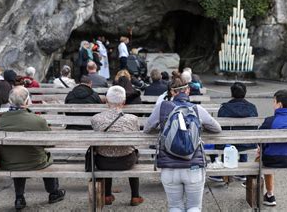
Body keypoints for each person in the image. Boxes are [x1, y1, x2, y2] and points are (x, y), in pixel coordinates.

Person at [144, 77, 221, 212]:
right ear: (188, 91)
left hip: (169, 167)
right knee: (194, 207)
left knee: (174, 207)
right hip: (194, 167)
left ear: (172, 92)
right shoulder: (197, 109)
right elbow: (217, 128)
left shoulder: (162, 108)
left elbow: (147, 129)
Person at [0, 86, 65, 210]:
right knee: (47, 157)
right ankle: (53, 192)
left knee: (17, 157)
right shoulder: (38, 120)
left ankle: (19, 198)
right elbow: (50, 144)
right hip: (35, 162)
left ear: (9, 101)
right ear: (26, 101)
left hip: (8, 162)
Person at [90, 86, 144, 206]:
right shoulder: (132, 119)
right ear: (124, 102)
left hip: (103, 162)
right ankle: (135, 196)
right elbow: (135, 142)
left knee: (106, 150)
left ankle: (107, 195)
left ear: (107, 101)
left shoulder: (96, 119)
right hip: (126, 161)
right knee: (134, 152)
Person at [208, 82, 258, 183]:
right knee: (244, 134)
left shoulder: (224, 108)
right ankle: (242, 172)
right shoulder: (252, 107)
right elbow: (254, 126)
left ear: (231, 94)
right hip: (247, 143)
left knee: (224, 138)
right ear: (245, 93)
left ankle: (222, 173)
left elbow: (220, 129)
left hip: (227, 144)